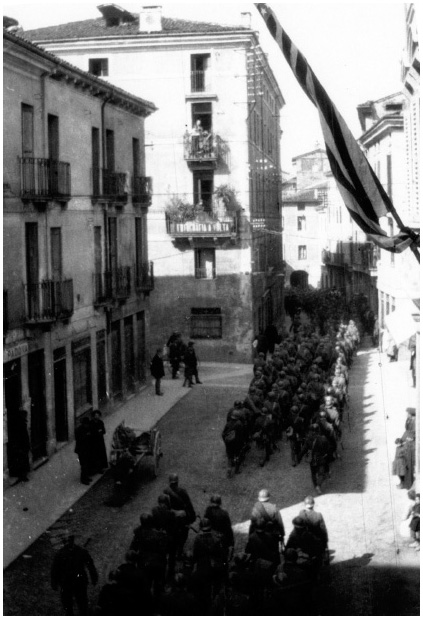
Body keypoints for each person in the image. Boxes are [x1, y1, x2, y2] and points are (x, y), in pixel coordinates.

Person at [51, 534, 98, 615]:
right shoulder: (80, 551)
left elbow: (55, 569)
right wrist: (94, 577)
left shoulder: (60, 554)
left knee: (74, 605)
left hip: (68, 583)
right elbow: (90, 565)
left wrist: (54, 582)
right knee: (78, 604)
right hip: (76, 582)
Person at [163, 474, 196, 557]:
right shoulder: (182, 491)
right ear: (177, 482)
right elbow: (188, 505)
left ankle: (171, 549)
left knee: (171, 533)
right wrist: (192, 517)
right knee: (183, 534)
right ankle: (179, 551)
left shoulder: (166, 492)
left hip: (171, 517)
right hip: (182, 518)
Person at [204, 495, 234, 561]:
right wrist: (231, 543)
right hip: (221, 537)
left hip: (210, 536)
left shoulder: (208, 511)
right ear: (220, 503)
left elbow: (204, 523)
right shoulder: (224, 513)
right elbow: (228, 529)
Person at [8, 408, 31, 482]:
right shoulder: (20, 424)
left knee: (22, 460)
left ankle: (22, 474)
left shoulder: (22, 423)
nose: (26, 416)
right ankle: (22, 475)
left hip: (23, 446)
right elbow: (22, 436)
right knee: (22, 461)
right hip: (21, 446)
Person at [74, 417, 93, 485]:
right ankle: (83, 479)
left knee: (87, 464)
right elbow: (78, 439)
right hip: (81, 450)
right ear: (83, 424)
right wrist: (86, 436)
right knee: (83, 465)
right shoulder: (78, 430)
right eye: (86, 424)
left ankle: (86, 477)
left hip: (87, 449)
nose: (87, 425)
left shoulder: (87, 428)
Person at [89, 409, 108, 474]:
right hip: (94, 442)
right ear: (93, 416)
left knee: (101, 454)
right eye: (95, 415)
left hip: (100, 441)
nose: (97, 417)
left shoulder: (100, 422)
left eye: (98, 415)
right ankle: (95, 468)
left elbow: (104, 431)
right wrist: (98, 431)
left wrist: (100, 431)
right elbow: (92, 432)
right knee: (95, 455)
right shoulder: (91, 423)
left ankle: (101, 468)